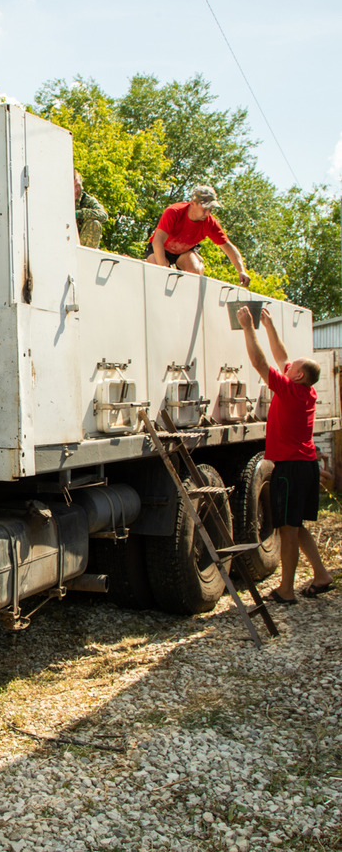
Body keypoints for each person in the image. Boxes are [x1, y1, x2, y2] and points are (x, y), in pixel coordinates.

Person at [237, 304, 334, 603]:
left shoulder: (289, 391)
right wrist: (268, 326)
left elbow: (260, 363)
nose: (286, 367)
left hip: (291, 470)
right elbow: (281, 357)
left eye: (291, 368)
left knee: (287, 531)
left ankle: (286, 590)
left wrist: (247, 327)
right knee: (297, 526)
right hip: (306, 466)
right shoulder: (308, 391)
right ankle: (322, 575)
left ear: (298, 375)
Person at [147, 185, 251, 287]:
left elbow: (228, 247)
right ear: (192, 203)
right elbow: (158, 240)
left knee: (194, 270)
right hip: (161, 247)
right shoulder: (174, 212)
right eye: (205, 208)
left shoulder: (210, 223)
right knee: (156, 268)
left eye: (210, 209)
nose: (207, 213)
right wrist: (163, 268)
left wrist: (241, 271)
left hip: (184, 251)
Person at [74, 170, 108, 248]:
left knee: (94, 224)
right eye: (72, 187)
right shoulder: (60, 200)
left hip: (82, 243)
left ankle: (85, 257)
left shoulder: (87, 200)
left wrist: (78, 214)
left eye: (77, 186)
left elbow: (103, 215)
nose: (76, 190)